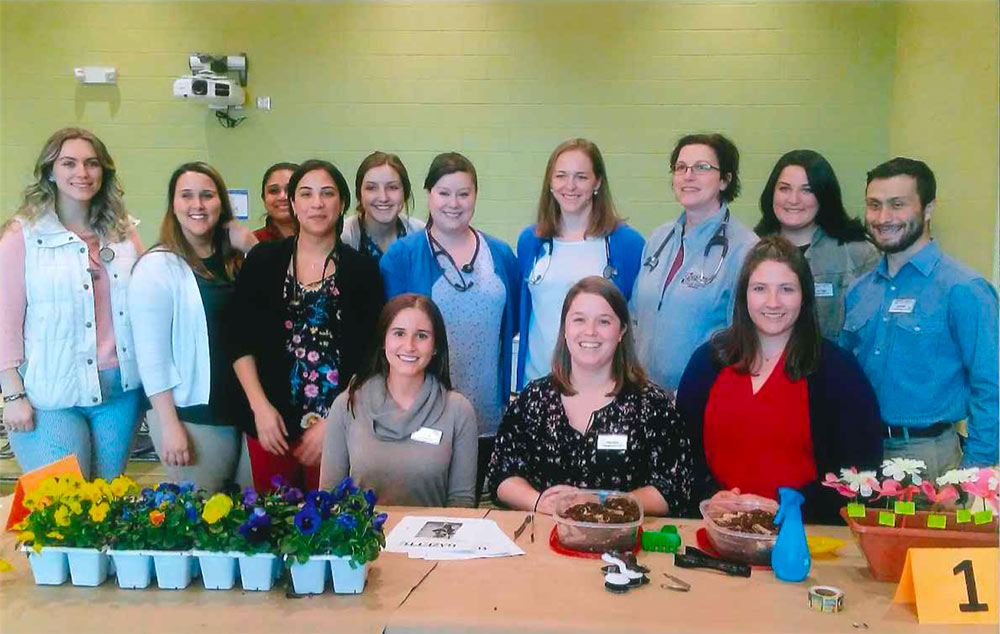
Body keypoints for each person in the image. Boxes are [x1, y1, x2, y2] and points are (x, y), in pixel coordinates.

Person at [677, 236, 883, 524]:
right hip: (717, 527)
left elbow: (860, 473)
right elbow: (681, 455)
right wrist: (709, 496)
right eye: (760, 289)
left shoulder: (837, 371)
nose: (772, 302)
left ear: (804, 296)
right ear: (744, 295)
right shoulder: (708, 363)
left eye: (786, 289)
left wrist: (789, 508)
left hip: (807, 534)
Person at [231, 159, 385, 492]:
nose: (317, 203)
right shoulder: (263, 261)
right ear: (293, 204)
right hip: (271, 425)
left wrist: (334, 420)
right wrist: (260, 408)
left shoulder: (363, 271)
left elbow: (372, 356)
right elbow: (239, 338)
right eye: (306, 194)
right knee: (274, 526)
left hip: (339, 426)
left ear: (342, 203)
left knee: (331, 530)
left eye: (327, 194)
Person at [841, 157, 998, 480]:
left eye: (898, 205)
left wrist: (971, 477)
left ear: (928, 209)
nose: (884, 217)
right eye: (874, 205)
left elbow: (991, 386)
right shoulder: (858, 291)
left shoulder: (963, 289)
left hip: (931, 458)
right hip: (863, 453)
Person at [0, 128, 144, 480]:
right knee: (63, 512)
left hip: (120, 394)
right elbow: (5, 321)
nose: (82, 173)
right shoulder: (23, 235)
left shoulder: (124, 232)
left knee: (107, 507)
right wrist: (12, 395)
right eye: (69, 163)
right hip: (51, 395)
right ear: (50, 171)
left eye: (91, 163)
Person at [487, 276, 694, 517]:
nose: (590, 331)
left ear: (621, 331)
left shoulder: (653, 405)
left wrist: (603, 502)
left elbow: (675, 489)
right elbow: (501, 475)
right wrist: (539, 501)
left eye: (604, 321)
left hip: (622, 545)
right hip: (544, 544)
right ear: (565, 328)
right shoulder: (533, 400)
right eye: (579, 320)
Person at [380, 152, 518, 500]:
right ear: (428, 195)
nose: (453, 203)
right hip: (426, 417)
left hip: (490, 417)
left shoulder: (500, 254)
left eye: (464, 193)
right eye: (444, 193)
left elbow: (512, 323)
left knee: (479, 511)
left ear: (475, 196)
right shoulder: (402, 256)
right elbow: (393, 338)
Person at [129, 162, 252, 491]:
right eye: (187, 196)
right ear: (173, 205)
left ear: (221, 204)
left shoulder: (235, 261)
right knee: (206, 521)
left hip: (241, 410)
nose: (197, 205)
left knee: (248, 520)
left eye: (207, 196)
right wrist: (169, 424)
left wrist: (250, 243)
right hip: (192, 414)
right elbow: (151, 356)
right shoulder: (157, 267)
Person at [320, 294, 478, 506]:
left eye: (422, 336)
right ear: (383, 341)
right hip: (362, 538)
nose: (409, 346)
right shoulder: (346, 405)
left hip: (434, 537)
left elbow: (462, 503)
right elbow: (329, 495)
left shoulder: (459, 411)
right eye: (399, 333)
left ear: (436, 347)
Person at [630, 133, 758, 394]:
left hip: (703, 396)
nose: (688, 175)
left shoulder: (745, 249)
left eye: (702, 167)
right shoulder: (658, 239)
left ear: (725, 180)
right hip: (644, 396)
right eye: (681, 167)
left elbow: (745, 339)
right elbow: (634, 317)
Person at [516, 139, 644, 389]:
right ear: (550, 183)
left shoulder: (626, 243)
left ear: (597, 182)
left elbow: (637, 319)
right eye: (561, 176)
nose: (570, 186)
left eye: (581, 177)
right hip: (538, 385)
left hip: (604, 388)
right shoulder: (531, 241)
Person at [756, 150, 878, 339]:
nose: (794, 200)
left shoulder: (858, 252)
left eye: (807, 190)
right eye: (784, 188)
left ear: (824, 195)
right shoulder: (750, 249)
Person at [341, 151, 424, 261]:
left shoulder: (421, 234)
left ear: (405, 192)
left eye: (392, 187)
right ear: (359, 194)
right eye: (371, 188)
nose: (383, 198)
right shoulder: (344, 237)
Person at [253, 162, 298, 242]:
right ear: (264, 198)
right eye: (274, 191)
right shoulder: (254, 240)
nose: (283, 197)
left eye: (290, 190)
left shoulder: (324, 239)